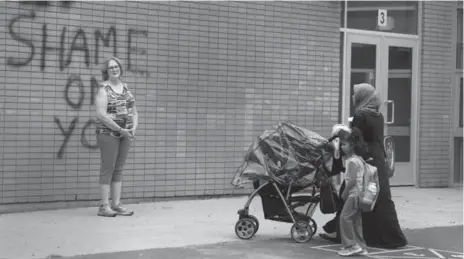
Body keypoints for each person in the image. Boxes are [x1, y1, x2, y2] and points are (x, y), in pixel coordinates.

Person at [320, 83, 407, 249]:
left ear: (362, 97)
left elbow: (357, 139)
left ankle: (344, 234)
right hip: (378, 159)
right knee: (379, 197)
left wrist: (341, 132)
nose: (353, 97)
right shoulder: (378, 115)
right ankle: (392, 237)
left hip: (364, 160)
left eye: (355, 94)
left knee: (351, 193)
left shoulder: (360, 115)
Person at [95, 57, 138, 217]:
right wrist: (120, 129)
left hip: (126, 134)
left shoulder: (125, 88)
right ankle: (104, 206)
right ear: (106, 71)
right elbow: (101, 115)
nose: (114, 69)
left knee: (119, 169)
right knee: (108, 168)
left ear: (120, 68)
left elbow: (134, 111)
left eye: (116, 66)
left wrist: (133, 127)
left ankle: (116, 204)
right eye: (111, 67)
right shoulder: (103, 89)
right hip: (108, 134)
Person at [337, 127, 368, 256]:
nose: (342, 147)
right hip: (359, 194)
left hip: (353, 195)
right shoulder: (359, 159)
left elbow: (352, 180)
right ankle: (361, 246)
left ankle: (351, 245)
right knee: (356, 221)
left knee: (344, 218)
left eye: (344, 144)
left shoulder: (352, 161)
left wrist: (345, 192)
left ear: (352, 145)